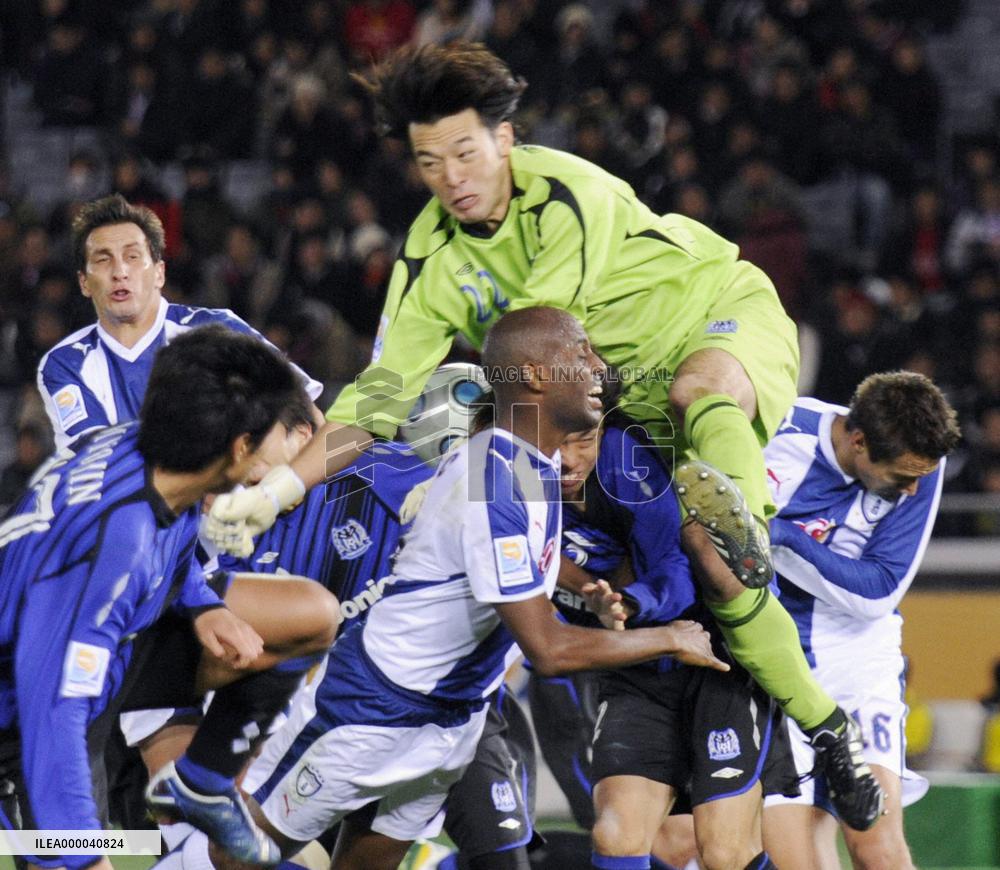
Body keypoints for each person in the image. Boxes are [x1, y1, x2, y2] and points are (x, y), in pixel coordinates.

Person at [205, 44, 883, 822]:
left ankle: (747, 526)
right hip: (608, 394)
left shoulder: (568, 193)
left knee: (710, 456)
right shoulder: (429, 260)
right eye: (429, 162)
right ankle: (827, 723)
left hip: (707, 320)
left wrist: (471, 437)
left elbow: (539, 346)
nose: (451, 177)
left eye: (464, 151)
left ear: (505, 139)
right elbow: (380, 396)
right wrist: (279, 489)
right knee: (702, 563)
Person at [162, 307, 728, 870]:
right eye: (580, 355)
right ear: (534, 375)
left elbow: (534, 565)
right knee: (229, 857)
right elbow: (549, 651)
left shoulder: (532, 466)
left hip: (452, 721)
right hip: (371, 708)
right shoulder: (496, 478)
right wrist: (671, 637)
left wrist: (593, 588)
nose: (597, 367)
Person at [0, 327, 340, 869]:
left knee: (311, 617)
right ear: (240, 445)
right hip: (27, 714)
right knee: (77, 848)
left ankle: (203, 783)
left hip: (86, 663)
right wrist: (83, 856)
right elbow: (54, 716)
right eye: (281, 430)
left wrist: (202, 603)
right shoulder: (111, 547)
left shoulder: (154, 454)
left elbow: (169, 537)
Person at [549, 399, 798, 870]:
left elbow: (675, 567)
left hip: (714, 661)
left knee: (723, 852)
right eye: (554, 443)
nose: (565, 459)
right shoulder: (510, 480)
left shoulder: (625, 458)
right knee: (615, 835)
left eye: (581, 441)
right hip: (636, 672)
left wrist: (632, 601)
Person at [761, 371, 961, 870]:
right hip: (772, 661)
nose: (914, 489)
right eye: (900, 477)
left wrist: (781, 537)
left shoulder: (925, 462)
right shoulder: (777, 433)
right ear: (857, 440)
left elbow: (878, 589)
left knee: (876, 843)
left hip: (858, 660)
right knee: (795, 854)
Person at [37, 193, 322, 451]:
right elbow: (101, 467)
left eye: (132, 257)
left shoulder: (219, 332)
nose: (120, 271)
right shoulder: (65, 364)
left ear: (159, 273)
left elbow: (307, 413)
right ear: (84, 283)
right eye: (103, 260)